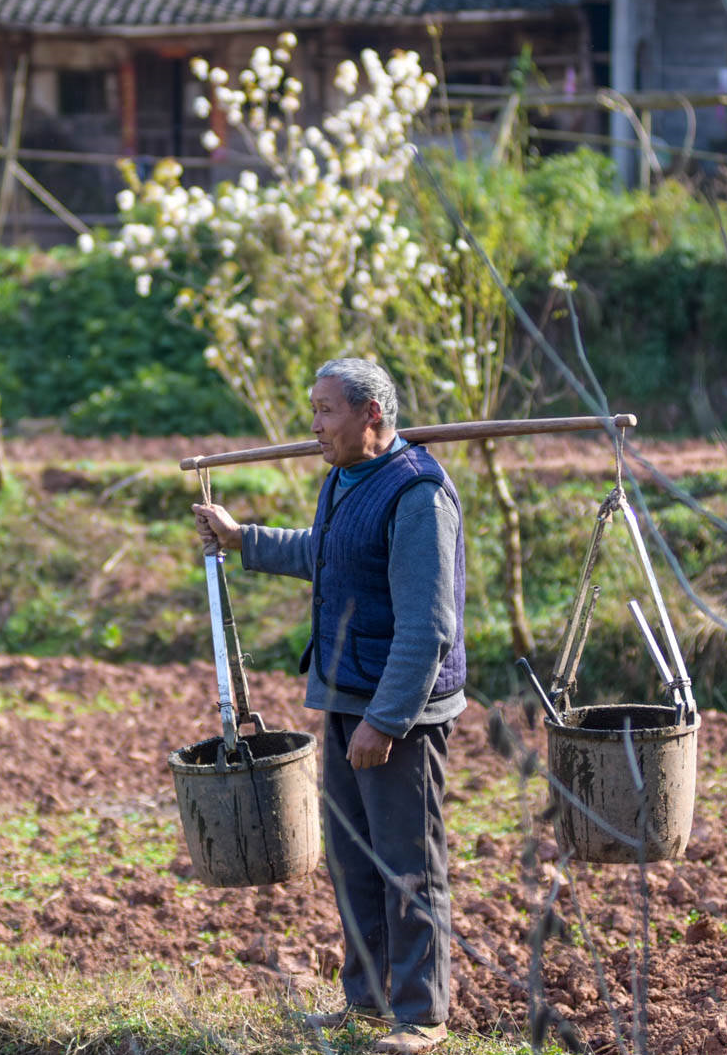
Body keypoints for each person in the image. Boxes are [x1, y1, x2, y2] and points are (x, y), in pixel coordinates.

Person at [193, 358, 465, 1055]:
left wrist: (386, 720)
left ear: (371, 413)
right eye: (312, 411)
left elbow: (428, 627)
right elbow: (329, 554)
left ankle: (422, 1017)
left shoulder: (419, 495)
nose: (314, 425)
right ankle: (368, 1003)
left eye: (327, 411)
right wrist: (242, 537)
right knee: (354, 860)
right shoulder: (346, 479)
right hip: (346, 696)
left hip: (398, 715)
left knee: (409, 865)